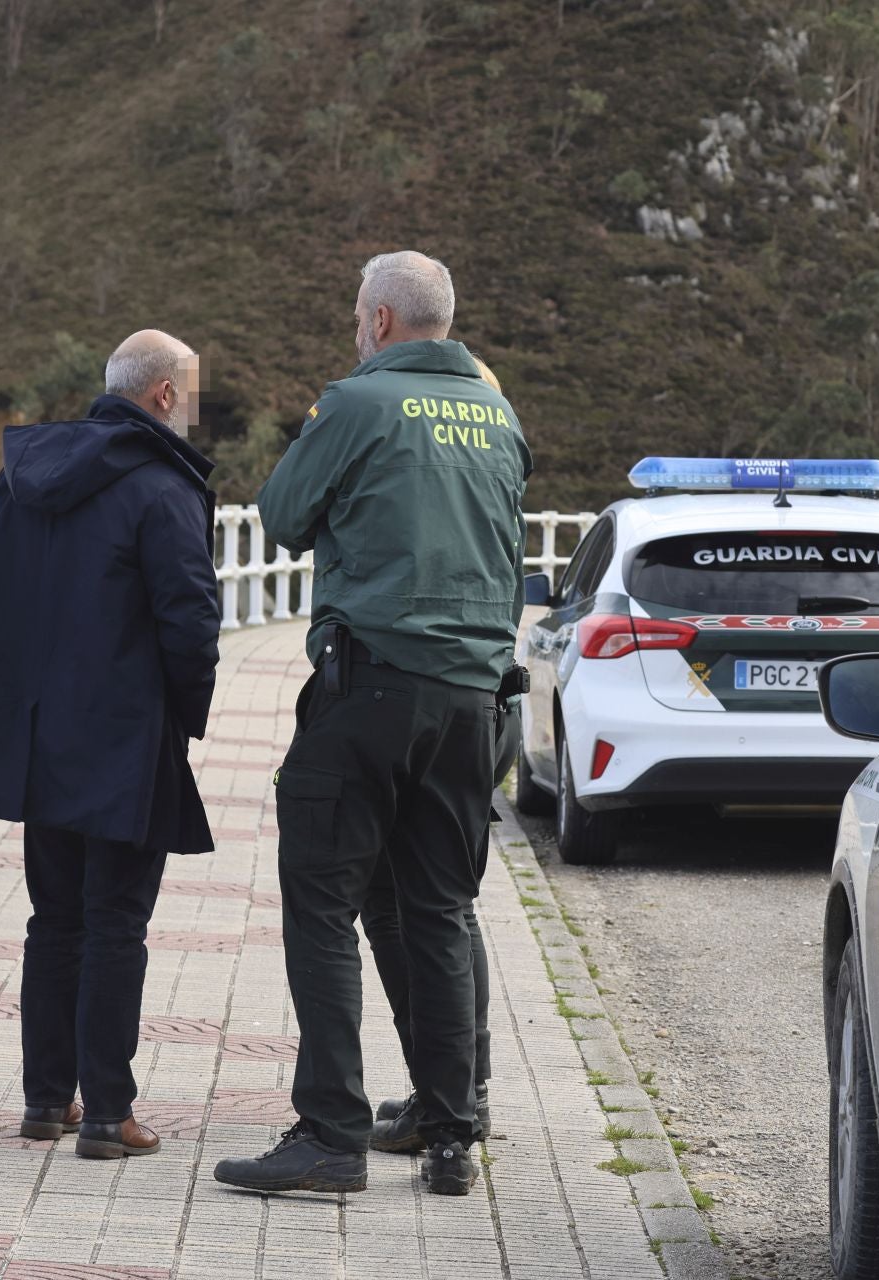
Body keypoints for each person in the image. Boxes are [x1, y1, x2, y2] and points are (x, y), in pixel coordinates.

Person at [214, 252, 532, 1198]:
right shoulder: (498, 413)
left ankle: (329, 1135)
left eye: (360, 315)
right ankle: (448, 1134)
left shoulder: (357, 403)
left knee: (321, 906)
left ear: (381, 321)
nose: (357, 329)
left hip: (373, 692)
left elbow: (280, 513)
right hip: (474, 703)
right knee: (438, 910)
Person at [0, 329, 220, 1161]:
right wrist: (183, 715)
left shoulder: (23, 475)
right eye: (190, 395)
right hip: (126, 740)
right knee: (115, 923)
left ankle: (46, 1101)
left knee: (52, 920)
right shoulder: (162, 487)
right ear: (165, 394)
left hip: (36, 738)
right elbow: (190, 621)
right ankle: (108, 1114)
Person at [363, 354, 518, 1157]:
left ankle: (450, 1096)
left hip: (416, 695)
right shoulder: (493, 441)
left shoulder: (418, 445)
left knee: (410, 904)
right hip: (484, 702)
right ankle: (455, 1092)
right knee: (441, 903)